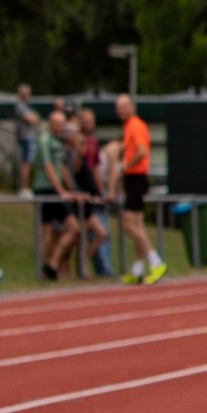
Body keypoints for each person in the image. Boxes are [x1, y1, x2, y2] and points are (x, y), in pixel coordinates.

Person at [112, 94, 167, 284]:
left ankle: (155, 260)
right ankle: (137, 270)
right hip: (135, 178)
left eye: (124, 107)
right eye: (118, 108)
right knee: (137, 226)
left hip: (136, 177)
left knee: (128, 224)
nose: (121, 111)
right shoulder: (128, 126)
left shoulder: (135, 125)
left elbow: (141, 151)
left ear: (132, 107)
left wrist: (124, 166)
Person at [33, 109, 80, 280]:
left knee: (69, 229)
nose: (61, 128)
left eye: (63, 124)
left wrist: (71, 189)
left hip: (56, 190)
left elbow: (61, 168)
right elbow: (48, 167)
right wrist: (61, 192)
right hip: (46, 189)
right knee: (48, 232)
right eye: (58, 124)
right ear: (51, 125)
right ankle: (44, 267)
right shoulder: (45, 141)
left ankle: (51, 264)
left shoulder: (58, 142)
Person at [74, 108, 111, 277]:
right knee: (91, 231)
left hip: (91, 191)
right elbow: (72, 168)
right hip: (79, 190)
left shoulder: (93, 142)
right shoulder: (75, 140)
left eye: (91, 120)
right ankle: (84, 265)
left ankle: (92, 265)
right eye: (85, 120)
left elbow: (95, 168)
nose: (88, 124)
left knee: (100, 232)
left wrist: (100, 191)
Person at [13, 83, 39, 198]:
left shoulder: (25, 106)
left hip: (28, 137)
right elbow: (31, 119)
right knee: (26, 163)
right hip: (25, 137)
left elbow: (34, 117)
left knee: (27, 163)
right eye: (27, 93)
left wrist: (34, 116)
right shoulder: (20, 106)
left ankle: (24, 188)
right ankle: (23, 189)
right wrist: (33, 117)